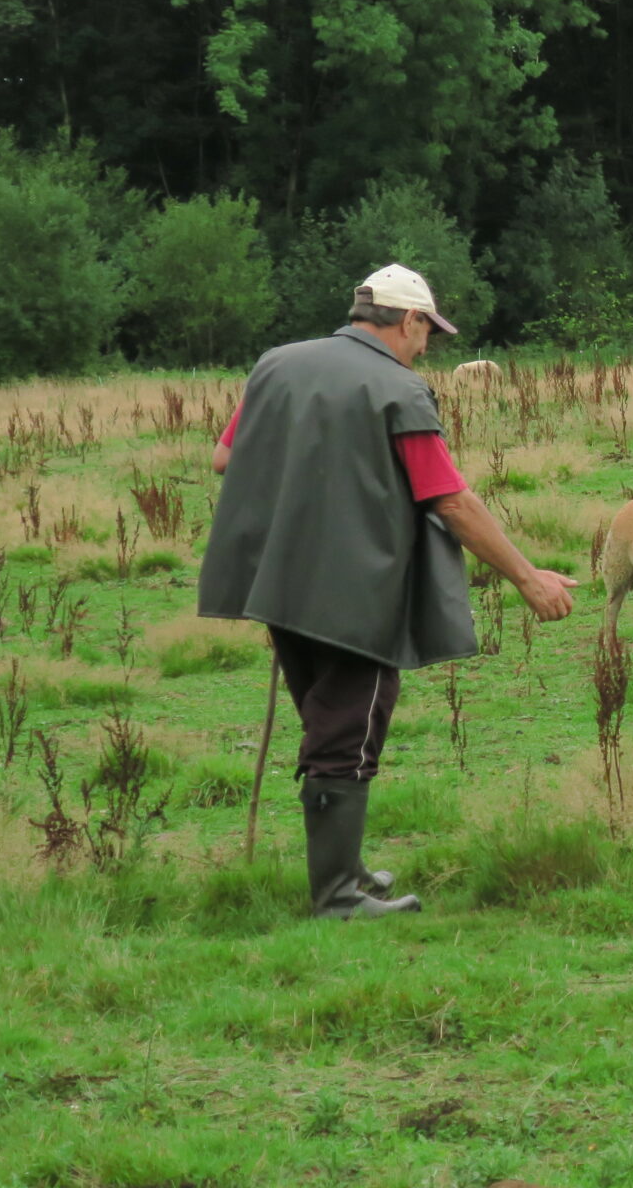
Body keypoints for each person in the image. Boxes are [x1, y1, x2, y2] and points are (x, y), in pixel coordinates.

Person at [198, 263, 574, 918]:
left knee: (327, 716)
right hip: (354, 592)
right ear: (408, 321)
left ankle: (345, 869)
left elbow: (225, 458)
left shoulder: (276, 364)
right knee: (350, 723)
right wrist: (527, 576)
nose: (427, 347)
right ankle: (339, 895)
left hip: (279, 582)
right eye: (427, 331)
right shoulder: (398, 387)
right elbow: (451, 500)